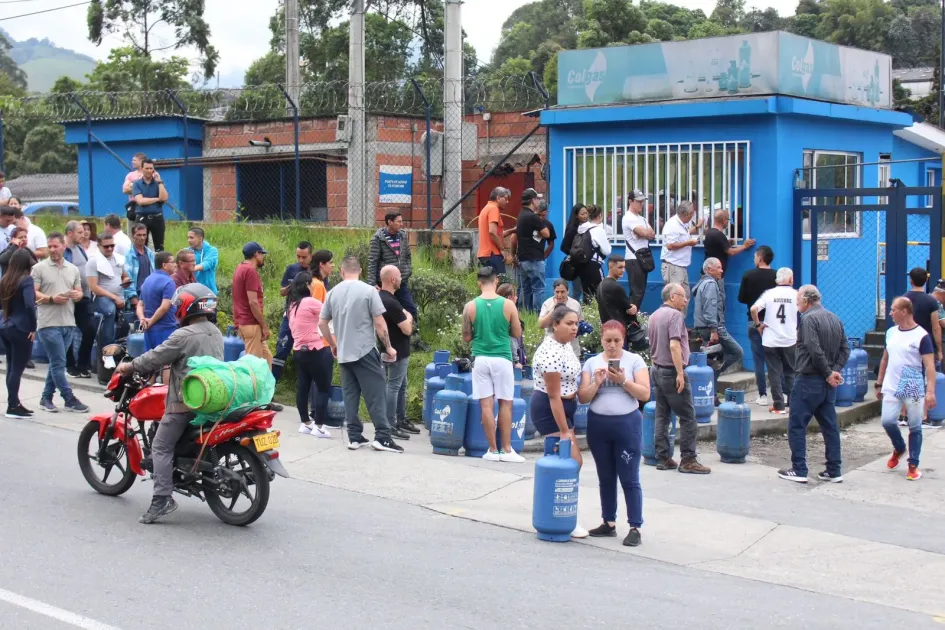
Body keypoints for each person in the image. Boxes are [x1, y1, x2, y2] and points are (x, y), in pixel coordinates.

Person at [116, 284, 224, 524]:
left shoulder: (182, 336)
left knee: (161, 446)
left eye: (178, 305)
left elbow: (155, 357)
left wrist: (129, 366)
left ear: (187, 306)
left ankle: (162, 498)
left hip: (186, 402)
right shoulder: (215, 332)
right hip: (213, 399)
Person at [318, 255, 402, 453]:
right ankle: (383, 436)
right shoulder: (368, 291)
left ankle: (354, 437)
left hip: (344, 352)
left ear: (341, 271)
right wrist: (389, 347)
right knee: (377, 393)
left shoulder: (333, 293)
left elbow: (322, 323)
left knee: (351, 395)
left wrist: (333, 344)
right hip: (364, 350)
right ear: (360, 271)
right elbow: (380, 323)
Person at [580, 320, 650, 546]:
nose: (612, 345)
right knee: (605, 476)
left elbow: (645, 394)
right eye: (608, 340)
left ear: (623, 340)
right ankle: (608, 521)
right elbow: (583, 397)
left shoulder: (634, 361)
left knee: (629, 477)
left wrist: (623, 381)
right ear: (601, 339)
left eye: (617, 341)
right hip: (599, 424)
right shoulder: (592, 362)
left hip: (626, 424)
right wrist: (597, 383)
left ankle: (635, 526)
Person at [778, 285, 849, 484]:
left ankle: (799, 469)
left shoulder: (808, 319)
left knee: (797, 425)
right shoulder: (834, 318)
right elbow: (845, 348)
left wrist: (828, 372)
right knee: (830, 426)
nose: (797, 304)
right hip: (828, 384)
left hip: (809, 379)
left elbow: (813, 349)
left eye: (798, 300)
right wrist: (835, 371)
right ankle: (834, 470)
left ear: (807, 301)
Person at [531, 304, 586, 538]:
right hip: (551, 409)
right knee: (569, 460)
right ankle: (558, 515)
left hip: (567, 407)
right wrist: (564, 431)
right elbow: (553, 395)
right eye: (569, 324)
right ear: (555, 324)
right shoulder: (550, 352)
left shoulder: (565, 347)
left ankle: (563, 513)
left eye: (576, 324)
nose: (574, 328)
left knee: (572, 463)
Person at [462, 266, 525, 462]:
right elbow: (517, 333)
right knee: (506, 403)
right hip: (503, 358)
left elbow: (466, 337)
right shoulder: (508, 305)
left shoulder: (470, 306)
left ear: (479, 283)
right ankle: (507, 450)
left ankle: (492, 449)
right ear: (496, 280)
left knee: (486, 405)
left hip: (480, 359)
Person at [647, 283, 711, 474]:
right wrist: (680, 373)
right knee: (688, 416)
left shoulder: (653, 316)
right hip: (671, 370)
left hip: (657, 369)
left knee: (662, 414)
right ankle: (688, 459)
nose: (686, 300)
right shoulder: (675, 316)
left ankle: (663, 457)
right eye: (683, 296)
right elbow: (674, 345)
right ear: (672, 297)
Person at [876, 297, 936, 481]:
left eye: (893, 309)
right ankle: (900, 447)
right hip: (891, 384)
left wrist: (930, 392)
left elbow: (929, 365)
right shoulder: (891, 332)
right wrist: (879, 382)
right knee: (887, 421)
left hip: (912, 382)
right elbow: (885, 358)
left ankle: (913, 464)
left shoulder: (921, 336)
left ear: (904, 311)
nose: (890, 313)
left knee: (915, 426)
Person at [31, 233, 89, 414]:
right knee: (59, 363)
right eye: (50, 246)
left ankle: (46, 397)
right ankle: (69, 398)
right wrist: (50, 298)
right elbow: (34, 293)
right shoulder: (39, 268)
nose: (53, 250)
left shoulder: (72, 269)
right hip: (48, 323)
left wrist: (77, 295)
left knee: (57, 363)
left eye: (56, 246)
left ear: (64, 246)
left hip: (68, 322)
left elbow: (79, 292)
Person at [286, 272, 333, 439]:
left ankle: (305, 423)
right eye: (311, 283)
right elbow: (329, 314)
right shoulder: (310, 302)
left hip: (299, 350)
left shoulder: (292, 305)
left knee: (303, 387)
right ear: (306, 285)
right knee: (323, 388)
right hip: (315, 350)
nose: (313, 285)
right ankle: (319, 426)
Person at [693, 256, 743, 401]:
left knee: (711, 360)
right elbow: (710, 307)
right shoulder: (710, 284)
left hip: (705, 327)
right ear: (709, 269)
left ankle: (712, 395)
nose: (722, 270)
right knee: (737, 352)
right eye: (719, 267)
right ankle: (715, 374)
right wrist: (714, 330)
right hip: (713, 328)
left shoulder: (703, 283)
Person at [751, 268, 798, 414]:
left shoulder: (769, 294)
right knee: (790, 372)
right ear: (790, 279)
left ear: (777, 280)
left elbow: (753, 309)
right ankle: (793, 404)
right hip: (790, 339)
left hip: (770, 339)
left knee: (774, 372)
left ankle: (778, 406)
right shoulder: (796, 294)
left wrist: (758, 325)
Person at [379, 264, 418, 439]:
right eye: (400, 276)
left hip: (392, 349)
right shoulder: (390, 302)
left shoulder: (383, 298)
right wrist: (408, 316)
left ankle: (400, 419)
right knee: (394, 386)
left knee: (401, 386)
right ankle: (390, 423)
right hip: (397, 350)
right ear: (393, 279)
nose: (402, 279)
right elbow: (407, 329)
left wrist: (405, 314)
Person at [738, 245, 778, 406]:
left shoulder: (748, 275)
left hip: (754, 322)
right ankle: (781, 393)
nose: (754, 259)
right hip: (773, 323)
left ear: (760, 258)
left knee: (758, 360)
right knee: (775, 359)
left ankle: (762, 394)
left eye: (755, 256)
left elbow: (741, 298)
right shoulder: (776, 277)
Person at [1, 250, 38, 418]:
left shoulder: (5, 279)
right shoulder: (27, 280)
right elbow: (30, 305)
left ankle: (13, 402)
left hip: (6, 324)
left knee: (11, 366)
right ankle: (13, 405)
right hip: (21, 327)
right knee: (17, 368)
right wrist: (33, 327)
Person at [273, 241, 313, 381]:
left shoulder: (315, 272)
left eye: (304, 257)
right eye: (298, 256)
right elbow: (282, 292)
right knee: (281, 349)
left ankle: (304, 385)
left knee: (306, 353)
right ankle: (272, 385)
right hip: (289, 316)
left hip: (308, 321)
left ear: (311, 256)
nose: (301, 260)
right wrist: (293, 284)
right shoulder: (291, 269)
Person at [368, 211, 417, 320]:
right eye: (399, 221)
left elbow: (408, 256)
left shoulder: (403, 236)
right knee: (386, 313)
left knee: (411, 309)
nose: (401, 224)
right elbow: (372, 262)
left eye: (401, 221)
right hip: (385, 284)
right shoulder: (378, 239)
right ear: (390, 222)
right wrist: (372, 283)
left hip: (401, 282)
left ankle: (414, 335)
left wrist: (407, 270)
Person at [232, 241, 274, 366]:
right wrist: (264, 326)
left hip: (243, 322)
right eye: (262, 254)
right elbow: (253, 302)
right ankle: (251, 386)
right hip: (250, 323)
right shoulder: (250, 271)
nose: (263, 258)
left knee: (267, 360)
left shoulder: (240, 268)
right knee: (253, 366)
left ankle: (268, 386)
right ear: (256, 254)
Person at [87, 232, 130, 349]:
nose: (110, 248)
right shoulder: (93, 261)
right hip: (102, 298)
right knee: (109, 311)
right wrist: (114, 297)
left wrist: (126, 281)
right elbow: (94, 287)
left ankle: (120, 346)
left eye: (112, 245)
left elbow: (124, 276)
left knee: (125, 323)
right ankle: (107, 345)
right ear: (99, 246)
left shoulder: (118, 259)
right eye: (106, 246)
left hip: (119, 296)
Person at [63, 221, 95, 379]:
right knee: (68, 331)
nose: (84, 235)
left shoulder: (80, 249)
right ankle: (69, 365)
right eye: (80, 232)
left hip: (84, 297)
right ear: (70, 233)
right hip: (69, 299)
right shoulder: (63, 250)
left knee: (89, 330)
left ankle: (83, 363)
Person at [514, 188, 551, 312]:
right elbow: (546, 234)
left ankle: (527, 314)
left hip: (523, 258)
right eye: (537, 199)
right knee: (538, 288)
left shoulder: (521, 215)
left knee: (526, 289)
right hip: (534, 258)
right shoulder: (532, 217)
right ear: (532, 200)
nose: (538, 202)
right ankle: (538, 314)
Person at [136, 251, 178, 351]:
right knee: (166, 364)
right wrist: (151, 321)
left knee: (149, 362)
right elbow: (164, 307)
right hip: (165, 329)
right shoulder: (169, 282)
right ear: (164, 265)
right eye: (172, 262)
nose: (175, 264)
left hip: (149, 331)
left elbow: (140, 305)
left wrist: (142, 319)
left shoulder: (147, 279)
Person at [621, 190, 656, 308]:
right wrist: (644, 233)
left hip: (641, 257)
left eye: (642, 201)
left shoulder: (642, 218)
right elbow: (645, 233)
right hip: (634, 258)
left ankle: (632, 320)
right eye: (638, 201)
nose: (641, 204)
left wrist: (644, 233)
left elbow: (652, 234)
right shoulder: (629, 217)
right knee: (637, 292)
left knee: (639, 292)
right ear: (630, 201)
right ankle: (630, 321)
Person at [660, 201, 702, 299]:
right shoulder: (673, 224)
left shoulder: (682, 223)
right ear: (687, 214)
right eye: (692, 213)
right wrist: (689, 243)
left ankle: (680, 315)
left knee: (684, 297)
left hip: (680, 266)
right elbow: (670, 245)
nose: (693, 215)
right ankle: (673, 315)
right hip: (673, 267)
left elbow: (685, 234)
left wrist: (697, 226)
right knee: (675, 299)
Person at [905, 267, 942, 366]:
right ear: (926, 280)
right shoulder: (931, 301)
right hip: (926, 343)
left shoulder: (904, 300)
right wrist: (939, 350)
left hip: (907, 342)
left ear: (911, 280)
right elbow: (936, 327)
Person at [574, 205, 611, 302]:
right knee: (601, 294)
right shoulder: (598, 230)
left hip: (582, 265)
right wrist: (607, 243)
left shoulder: (581, 228)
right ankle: (598, 316)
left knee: (587, 295)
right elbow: (607, 251)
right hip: (594, 265)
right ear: (599, 215)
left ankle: (587, 315)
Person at [597, 254, 638, 340]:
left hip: (606, 330)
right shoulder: (616, 287)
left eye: (624, 267)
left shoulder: (601, 285)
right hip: (618, 331)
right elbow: (630, 312)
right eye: (620, 267)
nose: (623, 270)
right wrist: (633, 308)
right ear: (611, 267)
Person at [702, 209, 756, 275]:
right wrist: (745, 246)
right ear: (723, 220)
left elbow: (716, 246)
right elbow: (731, 252)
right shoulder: (719, 235)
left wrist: (726, 242)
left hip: (708, 270)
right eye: (728, 219)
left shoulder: (710, 232)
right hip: (714, 273)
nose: (728, 222)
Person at [539, 279, 582, 359]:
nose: (560, 295)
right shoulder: (547, 304)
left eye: (563, 292)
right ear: (553, 291)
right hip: (552, 349)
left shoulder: (575, 304)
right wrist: (554, 308)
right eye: (557, 292)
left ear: (568, 291)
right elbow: (541, 324)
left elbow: (580, 322)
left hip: (572, 349)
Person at [131, 158, 168, 251]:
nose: (149, 171)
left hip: (157, 218)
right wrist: (157, 199)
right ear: (142, 169)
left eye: (151, 168)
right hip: (142, 217)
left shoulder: (158, 183)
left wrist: (159, 182)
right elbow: (141, 201)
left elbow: (164, 198)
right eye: (146, 168)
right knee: (141, 246)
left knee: (159, 247)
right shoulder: (137, 183)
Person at [476, 187, 514, 273]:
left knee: (490, 282)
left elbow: (497, 233)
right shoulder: (493, 209)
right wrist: (502, 249)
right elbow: (492, 232)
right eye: (506, 198)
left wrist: (512, 230)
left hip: (485, 253)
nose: (507, 202)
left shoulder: (487, 208)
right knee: (501, 282)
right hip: (492, 253)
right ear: (498, 198)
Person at [561, 203, 589, 300]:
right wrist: (575, 254)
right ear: (576, 215)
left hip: (585, 264)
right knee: (577, 291)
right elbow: (564, 247)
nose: (585, 216)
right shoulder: (573, 229)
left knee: (586, 289)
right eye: (582, 214)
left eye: (586, 213)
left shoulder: (587, 227)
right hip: (576, 264)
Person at [124, 223, 155, 308]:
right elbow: (127, 277)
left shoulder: (150, 254)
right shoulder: (128, 255)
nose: (142, 238)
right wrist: (133, 297)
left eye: (144, 235)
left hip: (150, 294)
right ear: (133, 235)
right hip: (136, 295)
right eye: (139, 235)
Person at [497, 283, 527, 368]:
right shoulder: (509, 315)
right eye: (515, 295)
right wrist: (516, 361)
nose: (517, 297)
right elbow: (511, 340)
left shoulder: (496, 312)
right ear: (509, 297)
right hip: (510, 358)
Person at [186, 228, 218, 294]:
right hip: (190, 291)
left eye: (191, 238)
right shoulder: (185, 251)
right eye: (188, 238)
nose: (189, 240)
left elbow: (207, 263)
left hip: (209, 291)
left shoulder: (212, 250)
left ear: (200, 239)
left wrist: (191, 268)